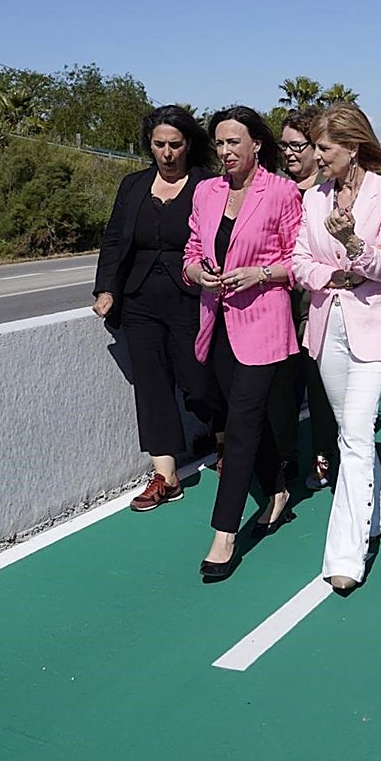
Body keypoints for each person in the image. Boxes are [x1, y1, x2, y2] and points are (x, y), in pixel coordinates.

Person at [292, 103, 381, 591]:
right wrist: (336, 275)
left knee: (358, 432)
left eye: (324, 149)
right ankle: (377, 508)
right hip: (328, 327)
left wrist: (355, 244)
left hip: (376, 329)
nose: (316, 157)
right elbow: (300, 262)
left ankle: (346, 553)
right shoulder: (313, 199)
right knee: (349, 429)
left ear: (352, 147)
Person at [183, 106, 302, 580]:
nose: (225, 151)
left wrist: (262, 273)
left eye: (234, 142)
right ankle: (277, 489)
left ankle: (224, 533)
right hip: (216, 324)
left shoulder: (282, 192)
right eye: (219, 142)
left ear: (257, 144)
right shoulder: (206, 192)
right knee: (243, 415)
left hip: (264, 324)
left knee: (239, 427)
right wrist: (197, 273)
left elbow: (300, 261)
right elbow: (192, 251)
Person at [92, 105, 217, 513]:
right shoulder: (133, 186)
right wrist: (106, 289)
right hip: (139, 300)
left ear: (188, 144)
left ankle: (222, 436)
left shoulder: (207, 186)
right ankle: (166, 475)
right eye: (159, 144)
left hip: (192, 297)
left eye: (174, 144)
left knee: (198, 379)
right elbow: (114, 241)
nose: (166, 152)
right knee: (151, 385)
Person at [266, 107, 339, 492]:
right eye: (285, 145)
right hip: (276, 307)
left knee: (320, 388)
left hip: (317, 304)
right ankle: (285, 456)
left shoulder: (331, 192)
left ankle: (324, 453)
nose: (290, 153)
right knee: (280, 391)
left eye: (298, 145)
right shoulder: (273, 190)